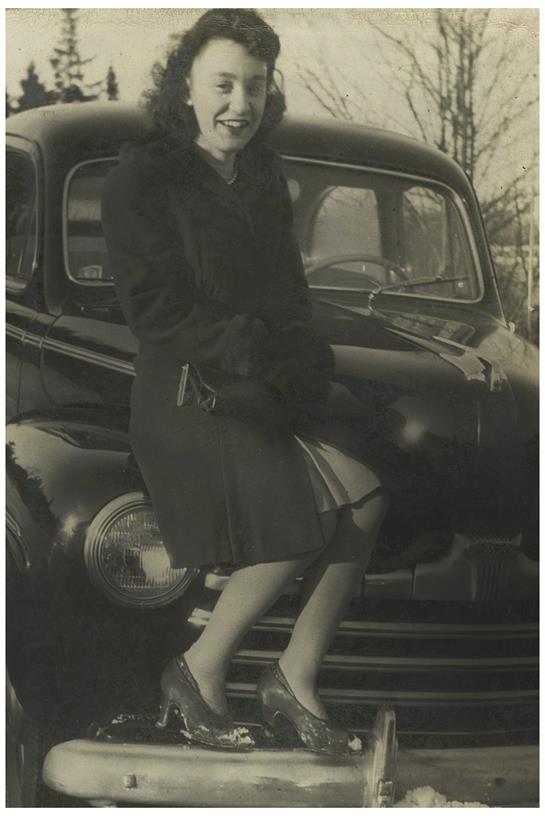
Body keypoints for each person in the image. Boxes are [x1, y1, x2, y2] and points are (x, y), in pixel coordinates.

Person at [102, 8, 389, 754]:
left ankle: (293, 678)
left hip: (258, 389)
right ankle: (196, 671)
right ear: (186, 88)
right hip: (186, 394)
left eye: (253, 87)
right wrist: (252, 348)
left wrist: (299, 357)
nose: (239, 105)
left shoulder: (261, 175)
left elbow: (289, 294)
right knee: (298, 524)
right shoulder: (144, 176)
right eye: (222, 85)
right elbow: (155, 311)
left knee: (363, 496)